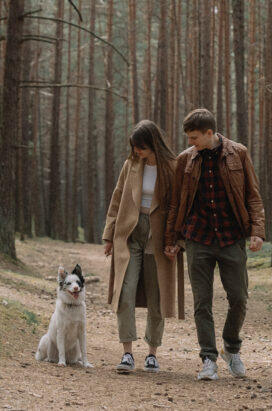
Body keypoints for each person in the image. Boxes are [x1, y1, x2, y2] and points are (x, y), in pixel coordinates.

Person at [164, 108, 265, 380]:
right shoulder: (185, 160)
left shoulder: (238, 153)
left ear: (210, 133)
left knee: (239, 299)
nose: (189, 142)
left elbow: (252, 196)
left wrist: (257, 231)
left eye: (194, 137)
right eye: (187, 137)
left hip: (232, 238)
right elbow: (176, 203)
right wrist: (171, 238)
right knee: (202, 303)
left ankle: (231, 348)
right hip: (198, 239)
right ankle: (208, 358)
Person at [103, 120, 184, 374]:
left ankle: (152, 354)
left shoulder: (172, 167)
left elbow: (180, 206)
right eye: (135, 147)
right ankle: (127, 353)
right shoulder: (131, 165)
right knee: (124, 293)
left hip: (159, 238)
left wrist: (177, 241)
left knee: (156, 297)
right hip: (129, 235)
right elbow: (117, 198)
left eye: (141, 147)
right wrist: (108, 235)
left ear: (153, 144)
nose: (137, 151)